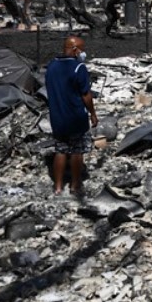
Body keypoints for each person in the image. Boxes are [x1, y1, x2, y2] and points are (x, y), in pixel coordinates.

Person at [45, 35, 98, 198]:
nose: (83, 53)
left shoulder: (51, 66)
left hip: (57, 117)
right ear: (75, 49)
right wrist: (93, 114)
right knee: (77, 151)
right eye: (82, 49)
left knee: (60, 151)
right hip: (75, 116)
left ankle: (58, 187)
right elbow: (85, 95)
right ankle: (75, 185)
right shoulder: (78, 67)